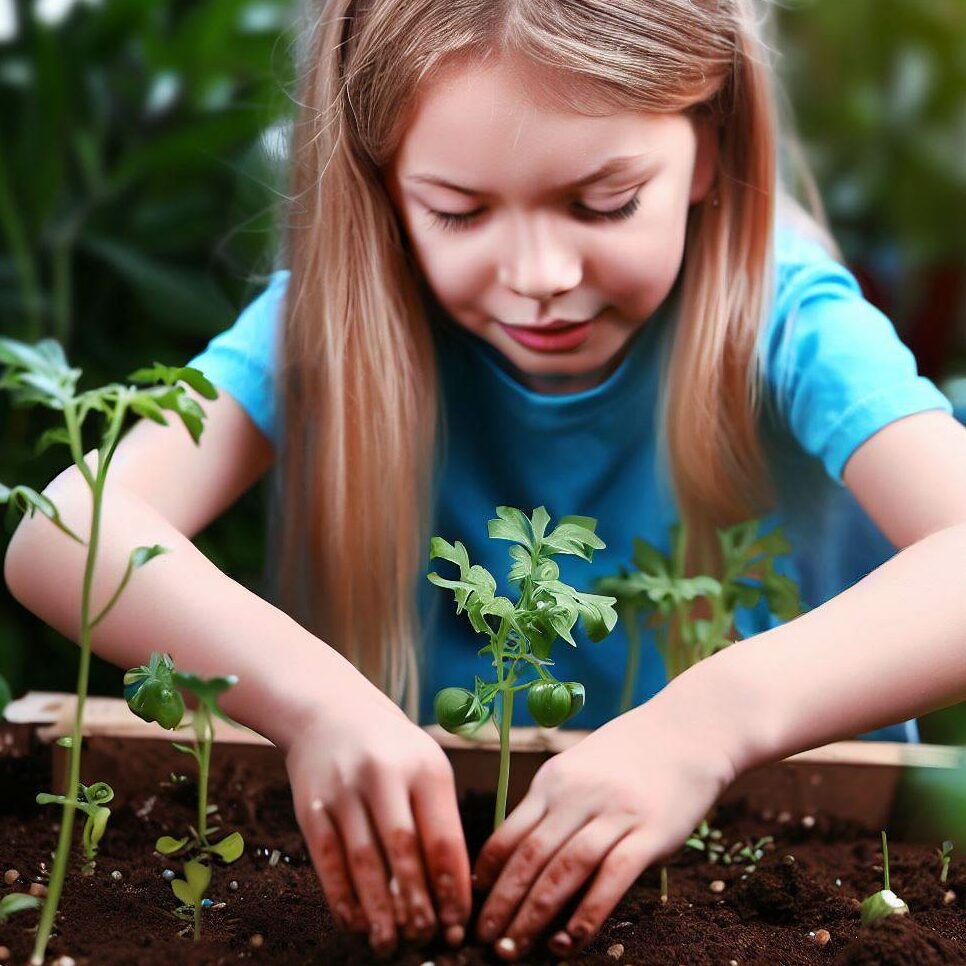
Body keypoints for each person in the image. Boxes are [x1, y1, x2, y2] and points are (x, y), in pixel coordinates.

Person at [6, 0, 966, 961]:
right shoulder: (335, 314)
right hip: (437, 864)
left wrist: (705, 728)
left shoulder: (788, 312)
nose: (540, 273)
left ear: (708, 144)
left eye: (605, 202)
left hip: (791, 851)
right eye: (457, 210)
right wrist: (311, 709)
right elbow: (62, 531)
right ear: (382, 185)